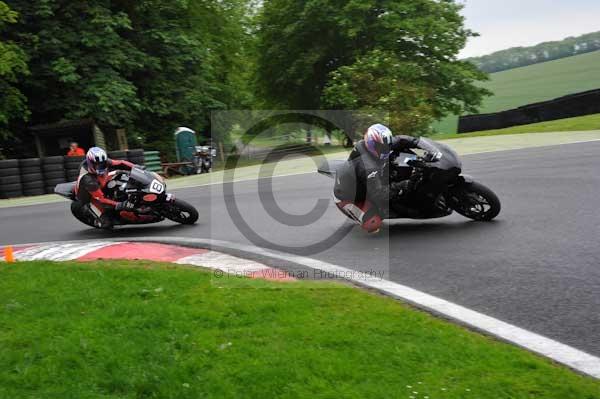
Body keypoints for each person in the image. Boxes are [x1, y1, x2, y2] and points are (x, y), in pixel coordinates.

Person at [333, 124, 442, 233]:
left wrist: (427, 147)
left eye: (387, 146)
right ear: (372, 144)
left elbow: (401, 139)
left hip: (367, 180)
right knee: (373, 223)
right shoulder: (368, 167)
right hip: (349, 196)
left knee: (400, 162)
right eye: (381, 147)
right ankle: (365, 211)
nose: (385, 149)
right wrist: (405, 184)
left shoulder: (380, 142)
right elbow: (380, 194)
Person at [75, 147, 137, 228]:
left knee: (123, 174)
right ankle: (96, 219)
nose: (101, 166)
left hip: (102, 181)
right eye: (97, 165)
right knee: (107, 224)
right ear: (91, 163)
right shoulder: (88, 180)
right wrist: (120, 204)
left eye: (102, 164)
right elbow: (101, 199)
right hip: (90, 197)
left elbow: (121, 163)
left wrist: (136, 167)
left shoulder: (103, 161)